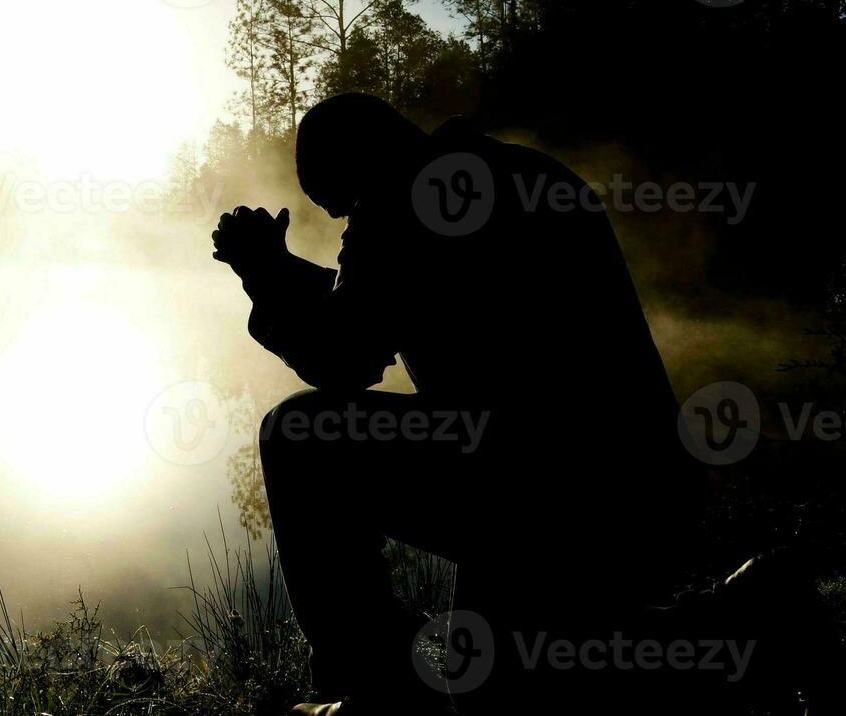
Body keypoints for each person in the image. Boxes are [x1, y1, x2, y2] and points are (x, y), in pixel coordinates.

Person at [212, 93, 705, 714]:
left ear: (363, 161)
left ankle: (377, 690)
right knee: (508, 683)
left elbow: (345, 358)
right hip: (639, 490)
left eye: (343, 204)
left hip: (536, 491)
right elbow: (370, 304)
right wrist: (286, 271)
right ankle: (758, 616)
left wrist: (263, 273)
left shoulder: (400, 204)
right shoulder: (521, 172)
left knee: (300, 437)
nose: (345, 225)